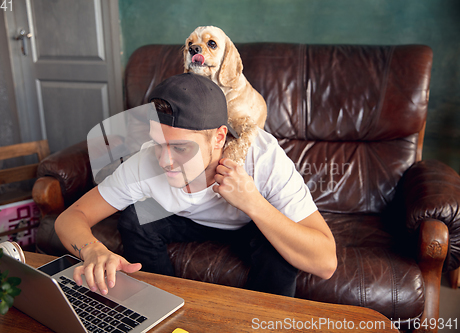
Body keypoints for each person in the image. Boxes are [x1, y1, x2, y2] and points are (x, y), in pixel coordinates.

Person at [55, 73, 337, 298]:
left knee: (280, 249)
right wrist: (92, 249)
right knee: (134, 218)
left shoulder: (262, 157)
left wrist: (253, 202)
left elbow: (325, 263)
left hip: (251, 223)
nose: (165, 161)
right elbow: (71, 217)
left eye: (180, 148)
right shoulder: (145, 163)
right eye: (158, 144)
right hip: (185, 220)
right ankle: (161, 306)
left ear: (218, 138)